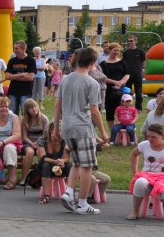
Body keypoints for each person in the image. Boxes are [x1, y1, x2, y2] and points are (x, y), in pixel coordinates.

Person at [54, 47, 109, 215]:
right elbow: (94, 110)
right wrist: (103, 132)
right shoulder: (91, 83)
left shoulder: (66, 79)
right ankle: (83, 204)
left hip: (68, 126)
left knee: (77, 162)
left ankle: (69, 192)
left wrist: (56, 128)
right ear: (93, 63)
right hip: (83, 128)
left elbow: (57, 105)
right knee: (87, 167)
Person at [126, 123, 164, 220]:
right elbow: (134, 154)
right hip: (147, 175)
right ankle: (135, 212)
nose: (150, 139)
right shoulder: (144, 145)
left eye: (153, 137)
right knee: (139, 182)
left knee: (161, 188)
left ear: (163, 136)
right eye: (148, 136)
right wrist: (135, 172)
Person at [36, 122, 72, 204]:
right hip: (46, 164)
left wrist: (62, 161)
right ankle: (46, 196)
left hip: (59, 165)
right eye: (57, 130)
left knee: (70, 166)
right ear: (50, 130)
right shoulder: (42, 140)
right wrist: (55, 161)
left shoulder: (64, 140)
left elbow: (67, 157)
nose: (59, 132)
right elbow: (43, 157)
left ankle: (70, 194)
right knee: (46, 166)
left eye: (61, 130)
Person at [100, 42, 130, 132]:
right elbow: (102, 78)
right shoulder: (103, 64)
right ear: (109, 50)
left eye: (118, 50)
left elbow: (127, 74)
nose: (117, 52)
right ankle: (113, 132)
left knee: (122, 110)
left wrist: (120, 83)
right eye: (115, 50)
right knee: (110, 112)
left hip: (121, 91)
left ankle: (121, 131)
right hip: (108, 91)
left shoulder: (122, 62)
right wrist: (115, 82)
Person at [19, 98, 49, 186]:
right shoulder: (24, 120)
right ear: (27, 110)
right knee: (30, 152)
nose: (34, 109)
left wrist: (38, 143)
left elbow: (45, 134)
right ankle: (24, 178)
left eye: (35, 107)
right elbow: (24, 136)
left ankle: (42, 178)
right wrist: (32, 143)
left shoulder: (44, 118)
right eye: (31, 108)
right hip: (28, 142)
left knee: (41, 153)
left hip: (41, 142)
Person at [5, 41, 36, 116]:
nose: (14, 50)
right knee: (12, 114)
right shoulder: (12, 61)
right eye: (14, 48)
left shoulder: (31, 60)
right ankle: (14, 127)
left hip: (26, 92)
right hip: (13, 92)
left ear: (23, 49)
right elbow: (7, 76)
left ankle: (25, 127)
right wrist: (22, 74)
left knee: (25, 113)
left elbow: (30, 77)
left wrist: (14, 77)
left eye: (16, 48)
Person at [123, 35, 146, 111]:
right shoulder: (126, 52)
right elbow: (123, 63)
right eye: (129, 41)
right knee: (127, 92)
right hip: (128, 75)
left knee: (138, 93)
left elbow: (144, 61)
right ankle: (127, 107)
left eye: (131, 41)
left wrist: (143, 70)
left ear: (136, 41)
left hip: (137, 75)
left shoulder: (140, 51)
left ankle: (138, 108)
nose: (130, 42)